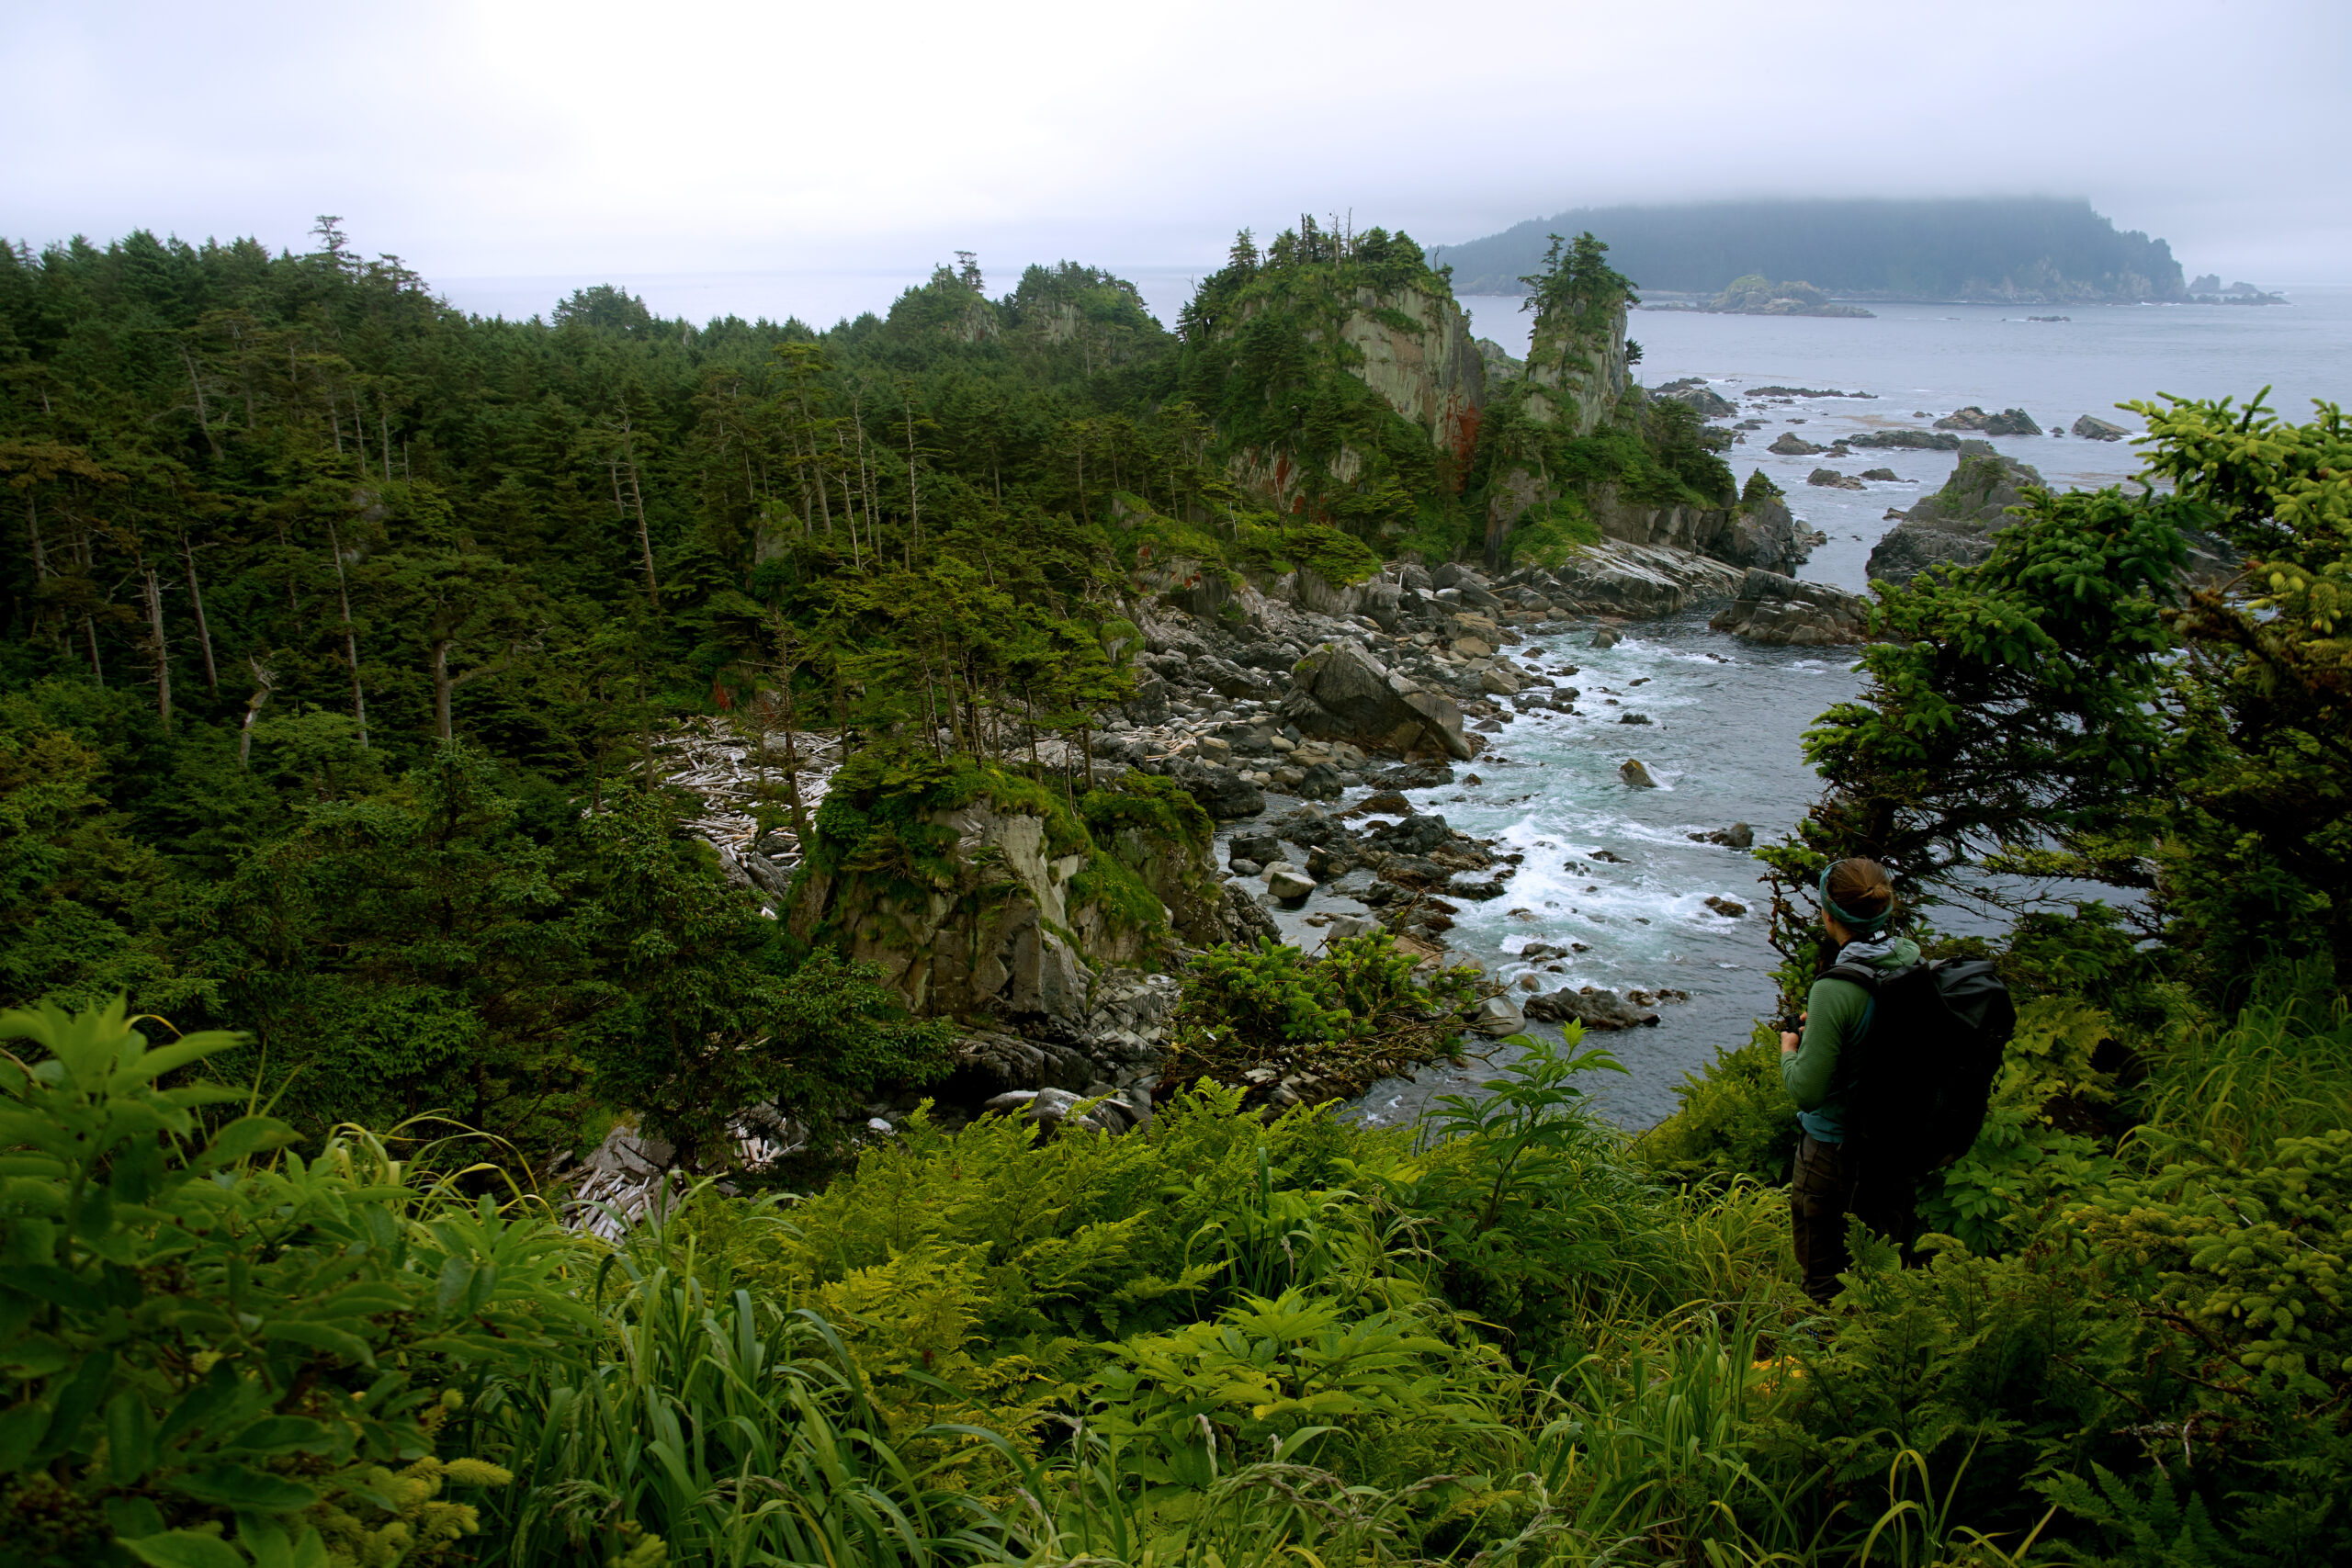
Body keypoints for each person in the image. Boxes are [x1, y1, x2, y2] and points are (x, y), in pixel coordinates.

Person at [1780, 856, 1920, 1305]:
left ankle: (1829, 1366)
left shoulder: (1835, 989)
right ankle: (1876, 1353)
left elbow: (1807, 1089)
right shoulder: (1912, 962)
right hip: (1897, 1147)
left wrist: (1789, 1049)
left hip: (1835, 1152)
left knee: (1824, 1279)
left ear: (1826, 914)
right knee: (1878, 1266)